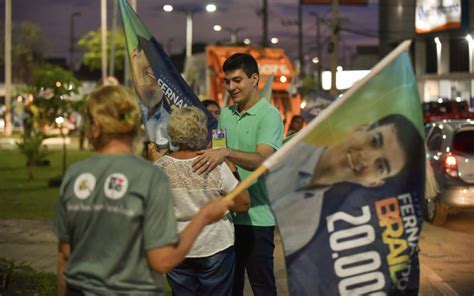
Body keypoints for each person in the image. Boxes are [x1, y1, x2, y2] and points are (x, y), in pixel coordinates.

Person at [54, 85, 232, 295]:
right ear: (132, 124)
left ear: (94, 126)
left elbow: (65, 254)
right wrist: (202, 217)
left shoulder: (74, 176)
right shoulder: (149, 177)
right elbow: (162, 260)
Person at [265, 114, 424, 256]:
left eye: (381, 166)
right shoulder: (283, 154)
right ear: (361, 128)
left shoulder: (308, 227)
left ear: (374, 183)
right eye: (375, 141)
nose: (365, 158)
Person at [192, 53, 284, 296]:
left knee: (262, 287)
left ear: (255, 79)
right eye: (227, 81)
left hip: (258, 219)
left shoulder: (270, 116)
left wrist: (226, 152)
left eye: (237, 80)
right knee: (230, 288)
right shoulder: (225, 114)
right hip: (227, 221)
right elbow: (221, 158)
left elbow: (262, 160)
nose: (231, 87)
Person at [154, 106, 250, 295]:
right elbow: (244, 203)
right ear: (201, 131)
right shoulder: (214, 164)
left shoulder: (159, 168)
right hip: (215, 245)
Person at [130, 36, 170, 149]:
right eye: (151, 57)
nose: (157, 67)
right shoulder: (124, 111)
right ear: (134, 56)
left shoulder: (173, 120)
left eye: (161, 62)